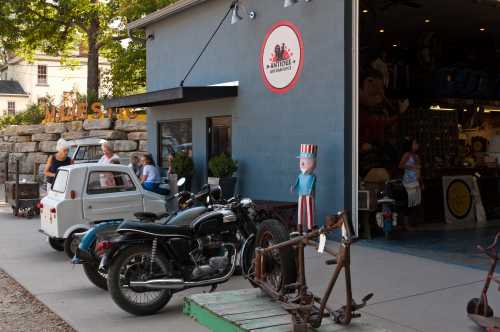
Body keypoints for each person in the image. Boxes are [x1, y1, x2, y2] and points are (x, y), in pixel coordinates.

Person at [399, 138, 423, 230]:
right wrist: (411, 166)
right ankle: (406, 224)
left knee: (414, 203)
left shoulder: (417, 156)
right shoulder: (407, 155)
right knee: (408, 203)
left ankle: (411, 222)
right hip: (408, 182)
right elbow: (400, 165)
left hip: (415, 181)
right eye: (415, 143)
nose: (417, 145)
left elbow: (419, 171)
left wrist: (421, 182)